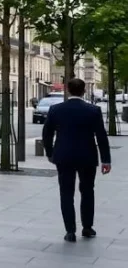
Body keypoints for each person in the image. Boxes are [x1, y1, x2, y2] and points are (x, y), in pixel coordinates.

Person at [42, 77, 111, 243]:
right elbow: (101, 136)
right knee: (87, 191)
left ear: (67, 90)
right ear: (84, 90)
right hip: (87, 156)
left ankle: (70, 231)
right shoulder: (93, 110)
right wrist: (106, 160)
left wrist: (50, 153)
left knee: (66, 193)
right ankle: (87, 228)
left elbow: (47, 134)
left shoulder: (56, 109)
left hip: (64, 156)